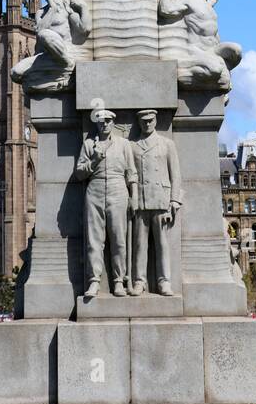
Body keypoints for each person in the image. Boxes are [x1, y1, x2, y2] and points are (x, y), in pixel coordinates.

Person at [76, 108, 137, 298]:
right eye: (101, 121)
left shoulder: (124, 144)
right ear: (96, 123)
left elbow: (131, 173)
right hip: (94, 189)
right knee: (95, 241)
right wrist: (93, 161)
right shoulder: (88, 144)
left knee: (119, 239)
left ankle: (119, 281)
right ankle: (94, 280)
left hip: (118, 190)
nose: (105, 124)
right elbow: (79, 173)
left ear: (113, 123)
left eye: (108, 121)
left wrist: (133, 196)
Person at [130, 109, 183, 296]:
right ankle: (139, 281)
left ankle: (164, 281)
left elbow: (175, 175)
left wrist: (174, 201)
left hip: (161, 200)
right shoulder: (132, 146)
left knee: (162, 245)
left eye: (150, 120)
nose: (147, 124)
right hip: (141, 202)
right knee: (139, 245)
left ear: (156, 120)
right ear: (139, 122)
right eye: (143, 121)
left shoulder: (167, 144)